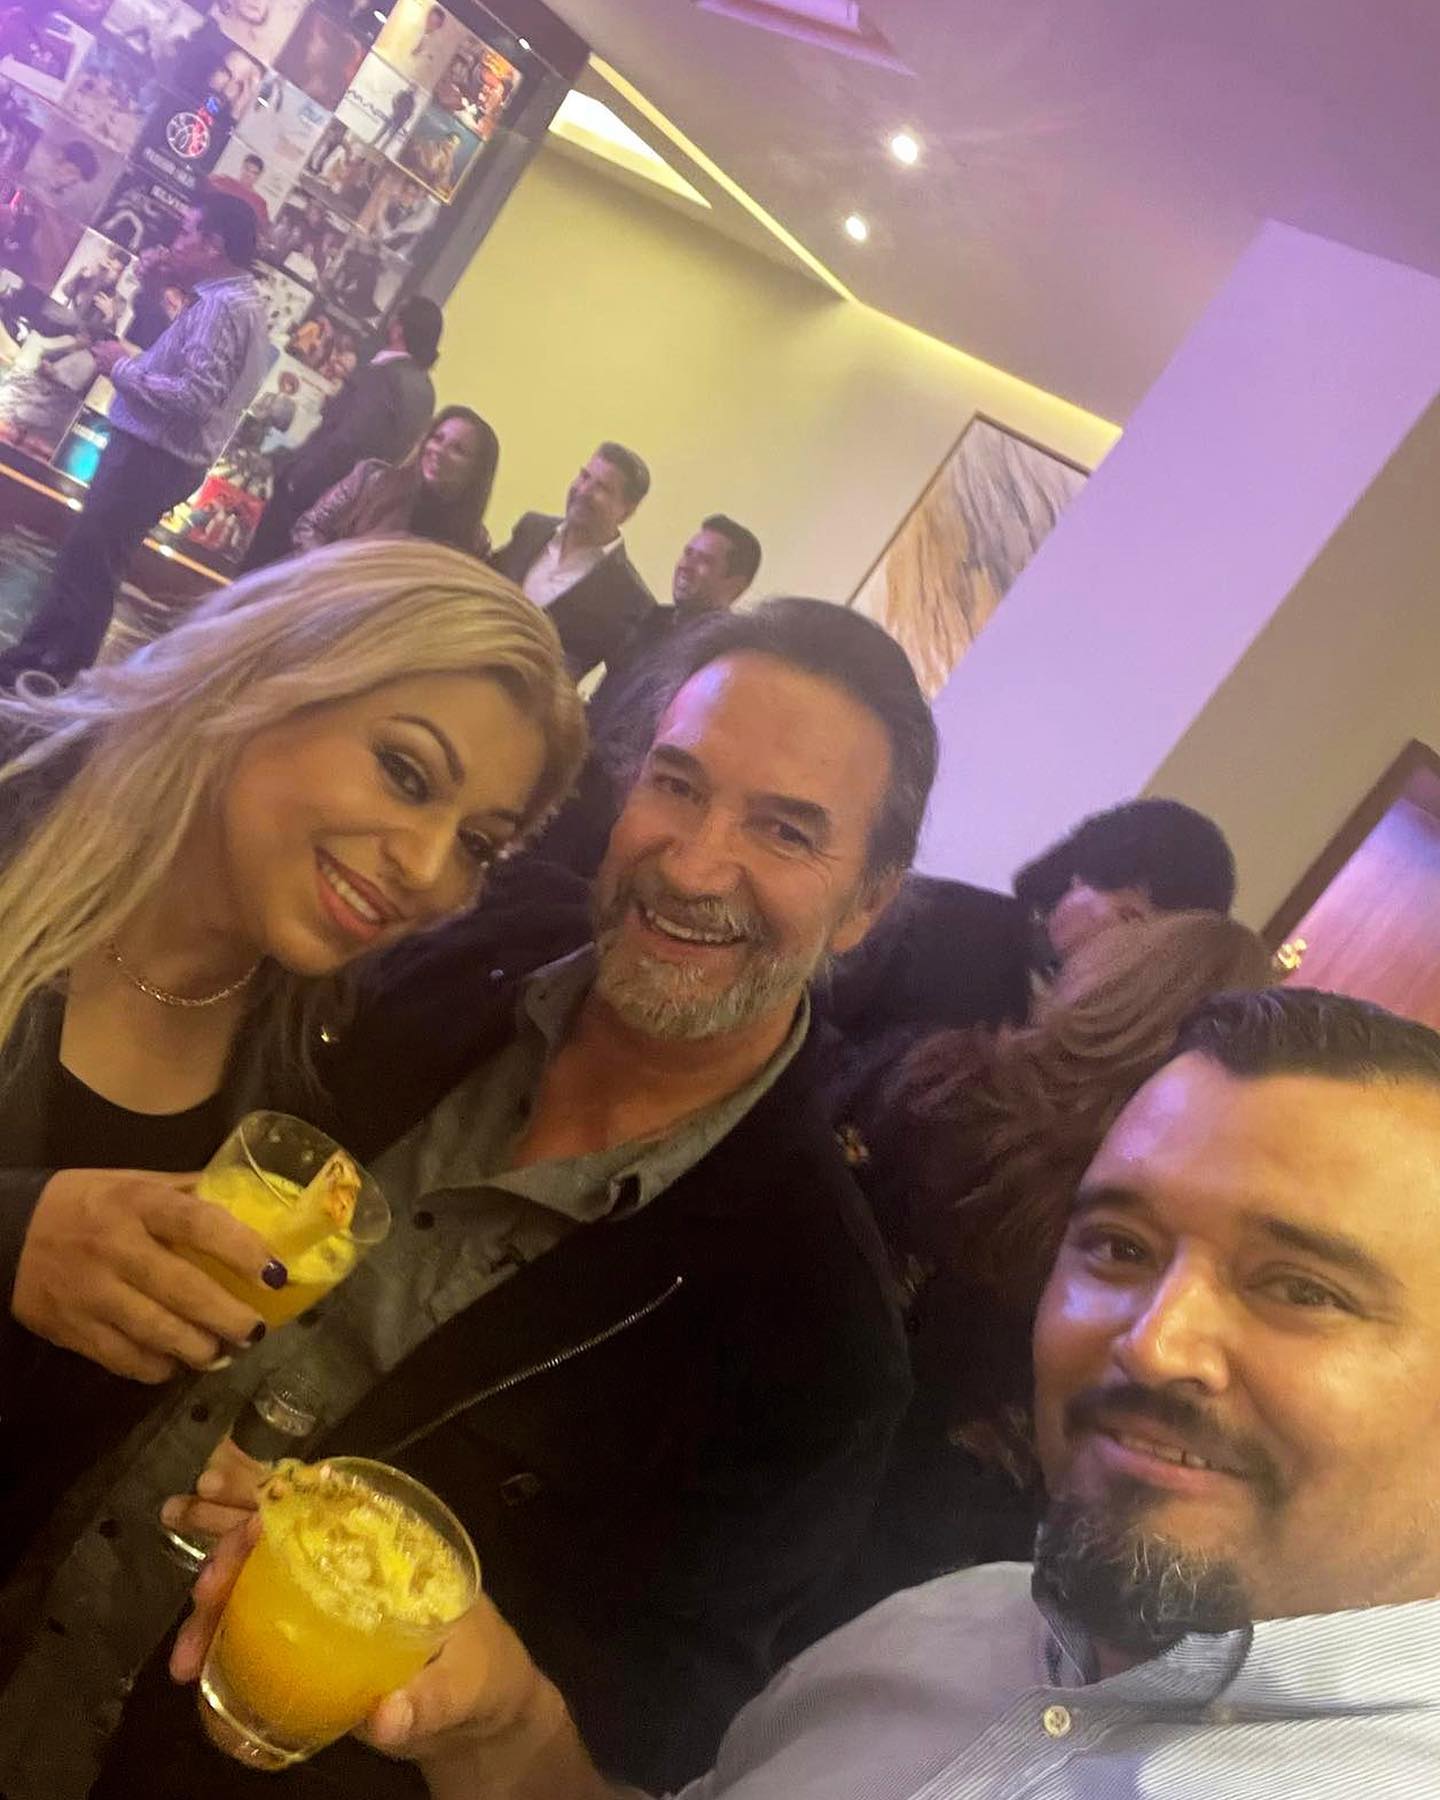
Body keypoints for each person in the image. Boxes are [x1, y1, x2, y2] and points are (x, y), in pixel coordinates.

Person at [176, 986, 1440, 1800]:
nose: (1156, 1345)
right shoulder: (943, 1628)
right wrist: (503, 1730)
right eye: (1117, 1246)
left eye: (1303, 1288)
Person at [89, 597, 934, 1800]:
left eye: (786, 831)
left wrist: (488, 1701)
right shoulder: (452, 941)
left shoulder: (820, 1344)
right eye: (678, 785)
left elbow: (628, 1759)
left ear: (867, 903)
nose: (695, 864)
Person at [0, 539, 586, 1798]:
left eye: (479, 844)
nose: (428, 871)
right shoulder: (13, 804)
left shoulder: (307, 1058)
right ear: (273, 672)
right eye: (405, 772)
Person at [829, 912, 1273, 1616]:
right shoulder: (1138, 1216)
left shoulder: (936, 1072)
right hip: (913, 1524)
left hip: (778, 1373)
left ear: (1110, 979)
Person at [0, 194, 271, 688]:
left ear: (213, 244)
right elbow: (187, 360)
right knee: (92, 559)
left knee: (90, 564)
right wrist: (158, 287)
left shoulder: (222, 307)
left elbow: (196, 397)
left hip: (151, 457)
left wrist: (120, 368)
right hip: (159, 457)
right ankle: (40, 660)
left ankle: (51, 670)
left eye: (187, 231)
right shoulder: (236, 301)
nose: (176, 241)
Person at [823, 796, 1242, 1070]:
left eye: (1161, 950)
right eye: (1130, 919)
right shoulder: (929, 920)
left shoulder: (1115, 1045)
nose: (1136, 955)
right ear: (1080, 879)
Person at [243, 293, 443, 570]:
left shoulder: (384, 375)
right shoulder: (426, 392)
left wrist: (297, 477)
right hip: (350, 510)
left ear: (398, 327)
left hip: (312, 495)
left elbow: (350, 440)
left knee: (257, 571)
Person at [491, 442, 657, 681]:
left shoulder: (631, 601)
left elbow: (615, 688)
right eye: (584, 476)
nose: (584, 490)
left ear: (627, 511)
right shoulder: (531, 529)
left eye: (602, 488)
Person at [292, 405, 498, 558]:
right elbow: (309, 527)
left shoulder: (473, 543)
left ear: (477, 471)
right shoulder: (372, 479)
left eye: (458, 449)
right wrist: (333, 580)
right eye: (437, 438)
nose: (439, 451)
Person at [208, 152, 270, 225]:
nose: (248, 174)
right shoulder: (223, 181)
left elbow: (260, 228)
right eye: (247, 169)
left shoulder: (259, 203)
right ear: (242, 167)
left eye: (254, 173)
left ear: (258, 177)